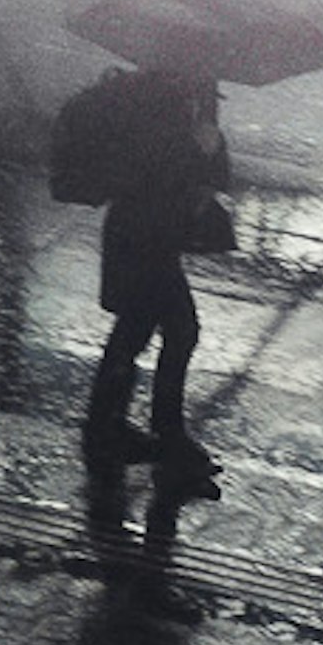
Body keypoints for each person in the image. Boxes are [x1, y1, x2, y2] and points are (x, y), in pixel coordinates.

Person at [82, 57, 229, 498]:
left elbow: (206, 175)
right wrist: (200, 145)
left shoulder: (172, 99)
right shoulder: (161, 106)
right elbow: (163, 173)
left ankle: (107, 429)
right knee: (176, 330)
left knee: (138, 330)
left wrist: (206, 139)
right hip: (145, 237)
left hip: (144, 235)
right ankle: (162, 435)